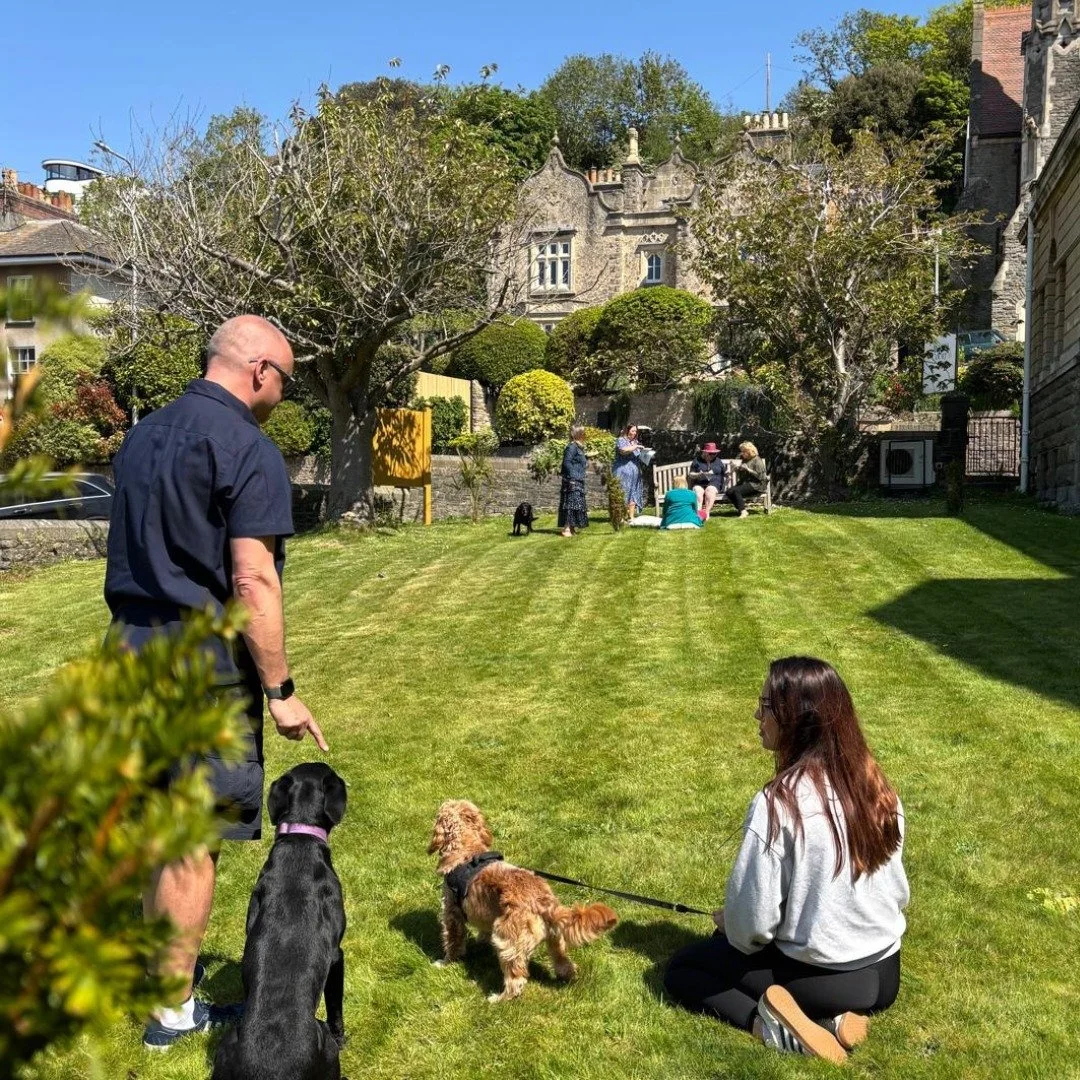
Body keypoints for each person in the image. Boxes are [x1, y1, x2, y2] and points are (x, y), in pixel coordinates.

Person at [104, 315, 328, 1050]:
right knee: (194, 838)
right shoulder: (247, 449)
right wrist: (281, 688)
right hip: (203, 666)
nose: (282, 395)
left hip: (131, 654)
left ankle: (161, 981)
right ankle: (171, 1010)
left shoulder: (141, 436)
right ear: (260, 369)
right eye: (286, 381)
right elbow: (252, 580)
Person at [663, 657, 908, 1063]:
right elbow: (895, 891)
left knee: (686, 969)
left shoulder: (779, 803)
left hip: (827, 978)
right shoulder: (875, 784)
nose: (757, 714)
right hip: (885, 972)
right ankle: (833, 1021)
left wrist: (731, 925)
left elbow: (751, 928)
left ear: (796, 718)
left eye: (766, 705)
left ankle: (771, 1028)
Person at [558, 424, 589, 537]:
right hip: (572, 480)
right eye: (583, 433)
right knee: (570, 504)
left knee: (576, 504)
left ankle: (571, 527)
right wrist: (573, 477)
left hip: (578, 479)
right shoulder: (571, 447)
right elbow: (566, 463)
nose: (585, 435)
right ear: (579, 434)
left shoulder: (578, 447)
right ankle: (566, 529)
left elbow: (577, 461)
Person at [722, 441, 768, 518]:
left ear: (749, 451)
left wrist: (748, 469)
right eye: (742, 451)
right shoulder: (745, 459)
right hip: (747, 483)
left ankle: (743, 511)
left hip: (757, 484)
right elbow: (742, 472)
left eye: (744, 451)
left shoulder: (757, 460)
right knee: (729, 492)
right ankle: (742, 509)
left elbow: (761, 477)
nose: (742, 453)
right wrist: (736, 468)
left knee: (736, 491)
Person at [613, 424, 646, 519]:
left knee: (633, 493)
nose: (634, 433)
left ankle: (631, 517)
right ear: (627, 431)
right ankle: (621, 517)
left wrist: (645, 454)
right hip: (622, 472)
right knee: (623, 493)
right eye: (632, 431)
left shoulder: (635, 442)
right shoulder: (621, 440)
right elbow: (623, 451)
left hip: (634, 473)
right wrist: (635, 447)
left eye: (636, 431)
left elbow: (638, 455)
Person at [688, 442, 727, 521]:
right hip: (700, 482)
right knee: (697, 490)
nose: (713, 455)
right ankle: (698, 513)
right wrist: (699, 474)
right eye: (711, 453)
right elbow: (691, 474)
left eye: (714, 453)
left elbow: (724, 473)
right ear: (704, 452)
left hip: (715, 483)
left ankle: (706, 512)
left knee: (710, 490)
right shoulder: (697, 461)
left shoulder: (718, 461)